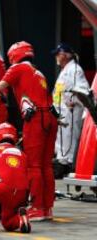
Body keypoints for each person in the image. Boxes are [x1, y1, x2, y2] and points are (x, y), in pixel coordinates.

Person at [0, 41, 58, 221]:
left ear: (15, 55)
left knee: (34, 166)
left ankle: (36, 207)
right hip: (50, 117)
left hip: (36, 118)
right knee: (46, 166)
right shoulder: (39, 72)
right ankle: (47, 207)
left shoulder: (18, 68)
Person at [52, 43, 90, 178]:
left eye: (58, 54)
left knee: (69, 139)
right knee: (62, 139)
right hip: (62, 112)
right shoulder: (65, 70)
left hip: (70, 112)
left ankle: (66, 165)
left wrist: (73, 102)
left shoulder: (74, 69)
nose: (56, 57)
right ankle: (62, 163)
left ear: (65, 55)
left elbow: (83, 90)